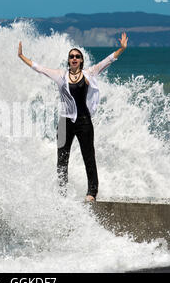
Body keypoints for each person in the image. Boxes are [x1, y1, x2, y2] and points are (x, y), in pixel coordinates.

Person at [18, 32, 128, 202]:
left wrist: (121, 49)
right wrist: (21, 56)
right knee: (62, 159)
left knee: (88, 156)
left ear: (81, 60)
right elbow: (38, 68)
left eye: (77, 56)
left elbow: (107, 61)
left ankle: (92, 192)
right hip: (64, 123)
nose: (74, 59)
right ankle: (61, 194)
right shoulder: (60, 75)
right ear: (68, 60)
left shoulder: (89, 73)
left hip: (84, 122)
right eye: (71, 57)